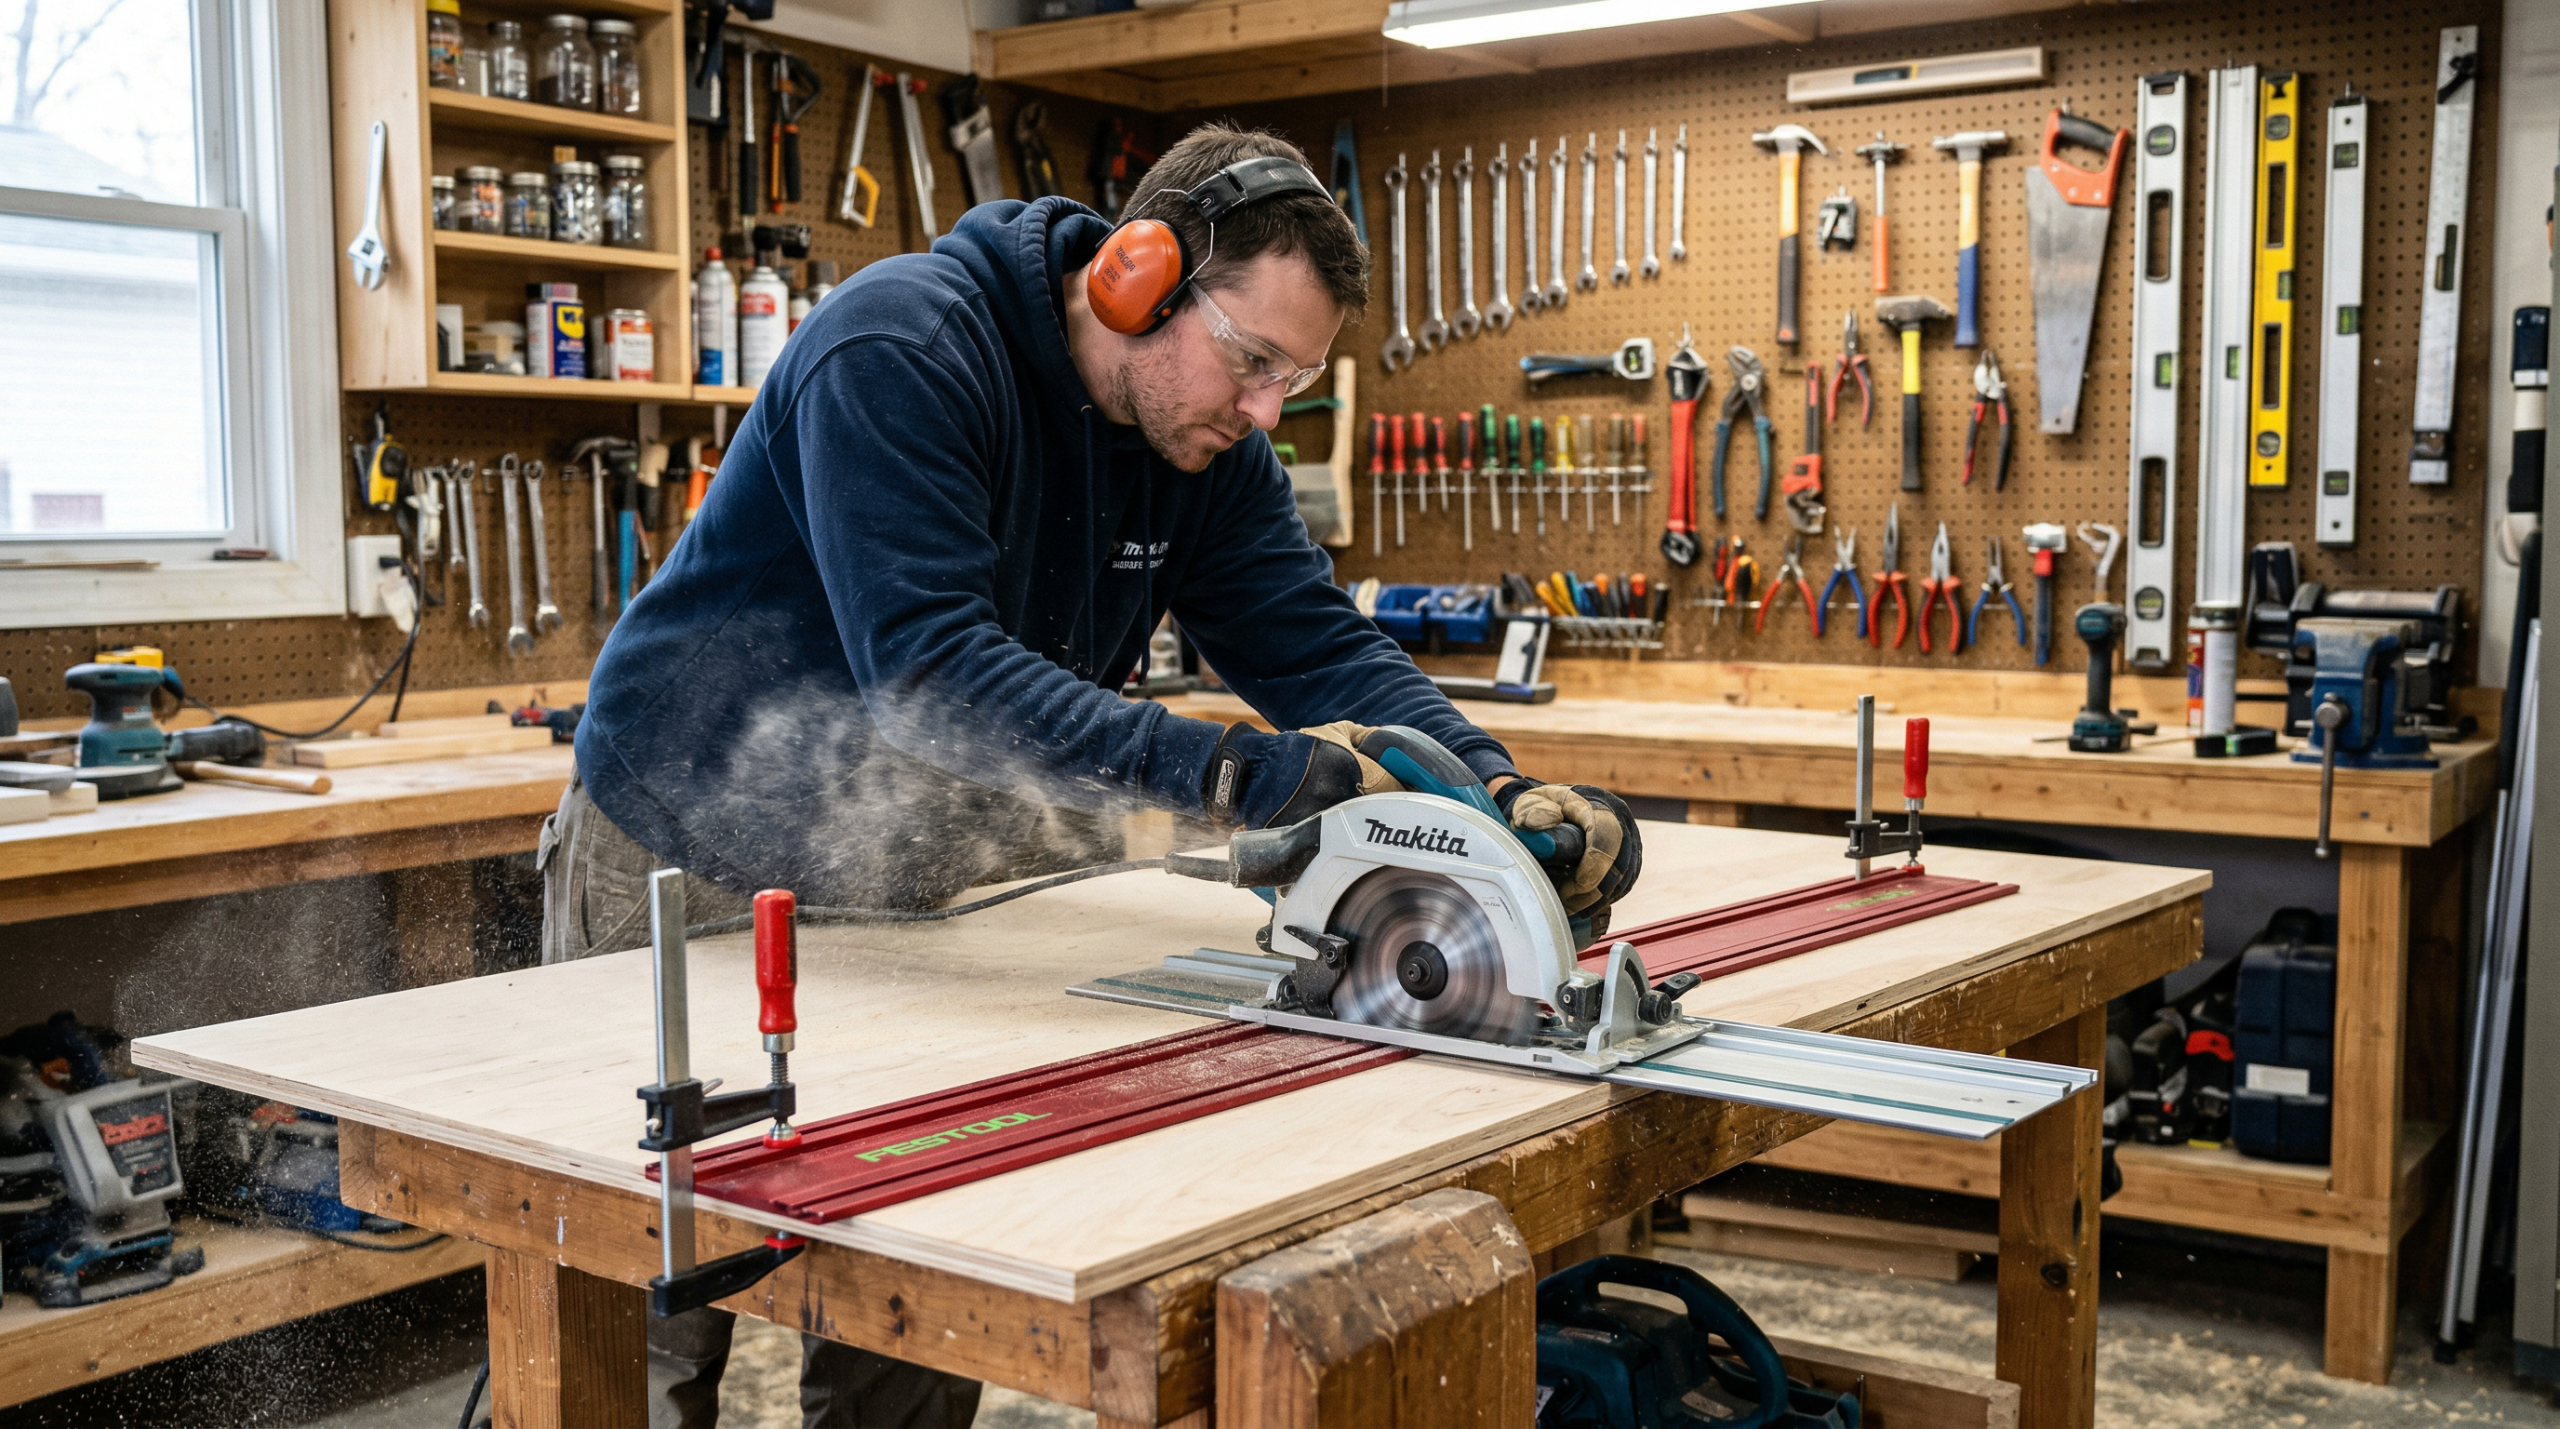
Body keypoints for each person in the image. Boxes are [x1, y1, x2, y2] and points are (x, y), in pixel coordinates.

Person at [539, 122, 1641, 1429]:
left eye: (1293, 381)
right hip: (688, 856)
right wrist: (1243, 778)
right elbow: (933, 681)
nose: (1263, 414)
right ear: (1135, 274)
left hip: (896, 871)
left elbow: (1314, 643)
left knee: (911, 1278)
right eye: (1252, 361)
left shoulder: (1206, 451)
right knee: (653, 1288)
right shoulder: (903, 348)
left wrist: (1497, 801)